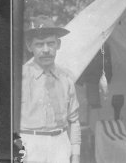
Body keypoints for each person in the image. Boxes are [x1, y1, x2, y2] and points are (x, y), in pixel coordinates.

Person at [20, 15, 81, 163]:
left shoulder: (66, 78)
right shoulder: (17, 78)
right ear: (30, 46)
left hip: (60, 146)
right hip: (28, 146)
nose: (46, 50)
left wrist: (75, 155)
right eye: (39, 44)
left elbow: (74, 120)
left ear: (58, 44)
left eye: (50, 43)